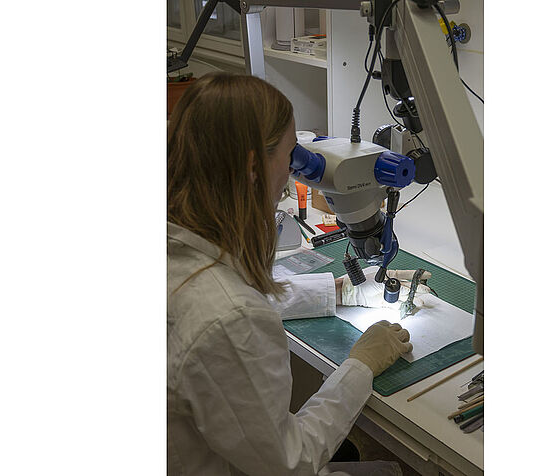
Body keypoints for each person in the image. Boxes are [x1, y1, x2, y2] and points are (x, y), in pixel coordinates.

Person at [167, 72, 421, 476]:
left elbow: (223, 303)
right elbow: (293, 462)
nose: (291, 173)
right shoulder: (228, 317)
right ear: (254, 166)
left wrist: (336, 290)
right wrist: (360, 365)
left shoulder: (180, 247)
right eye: (289, 156)